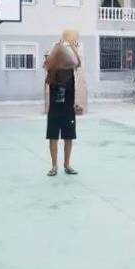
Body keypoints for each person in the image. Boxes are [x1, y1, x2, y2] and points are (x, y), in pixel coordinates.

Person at [43, 33, 84, 176]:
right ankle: (54, 166)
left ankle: (67, 165)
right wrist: (56, 47)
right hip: (54, 110)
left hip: (67, 109)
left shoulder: (70, 69)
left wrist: (72, 47)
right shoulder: (52, 70)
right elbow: (47, 63)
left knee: (68, 137)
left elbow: (78, 62)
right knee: (53, 137)